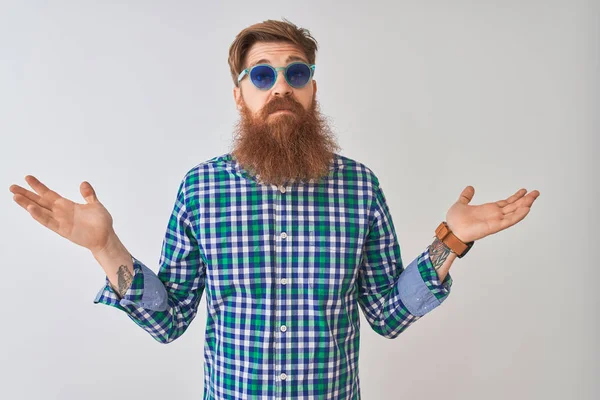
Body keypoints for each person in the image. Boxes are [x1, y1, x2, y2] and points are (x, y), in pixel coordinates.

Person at [8, 18, 540, 400]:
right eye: (262, 75)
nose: (281, 86)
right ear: (240, 95)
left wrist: (451, 241)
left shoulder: (360, 187)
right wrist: (105, 246)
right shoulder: (201, 189)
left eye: (296, 73)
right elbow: (169, 320)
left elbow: (387, 314)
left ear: (312, 89)